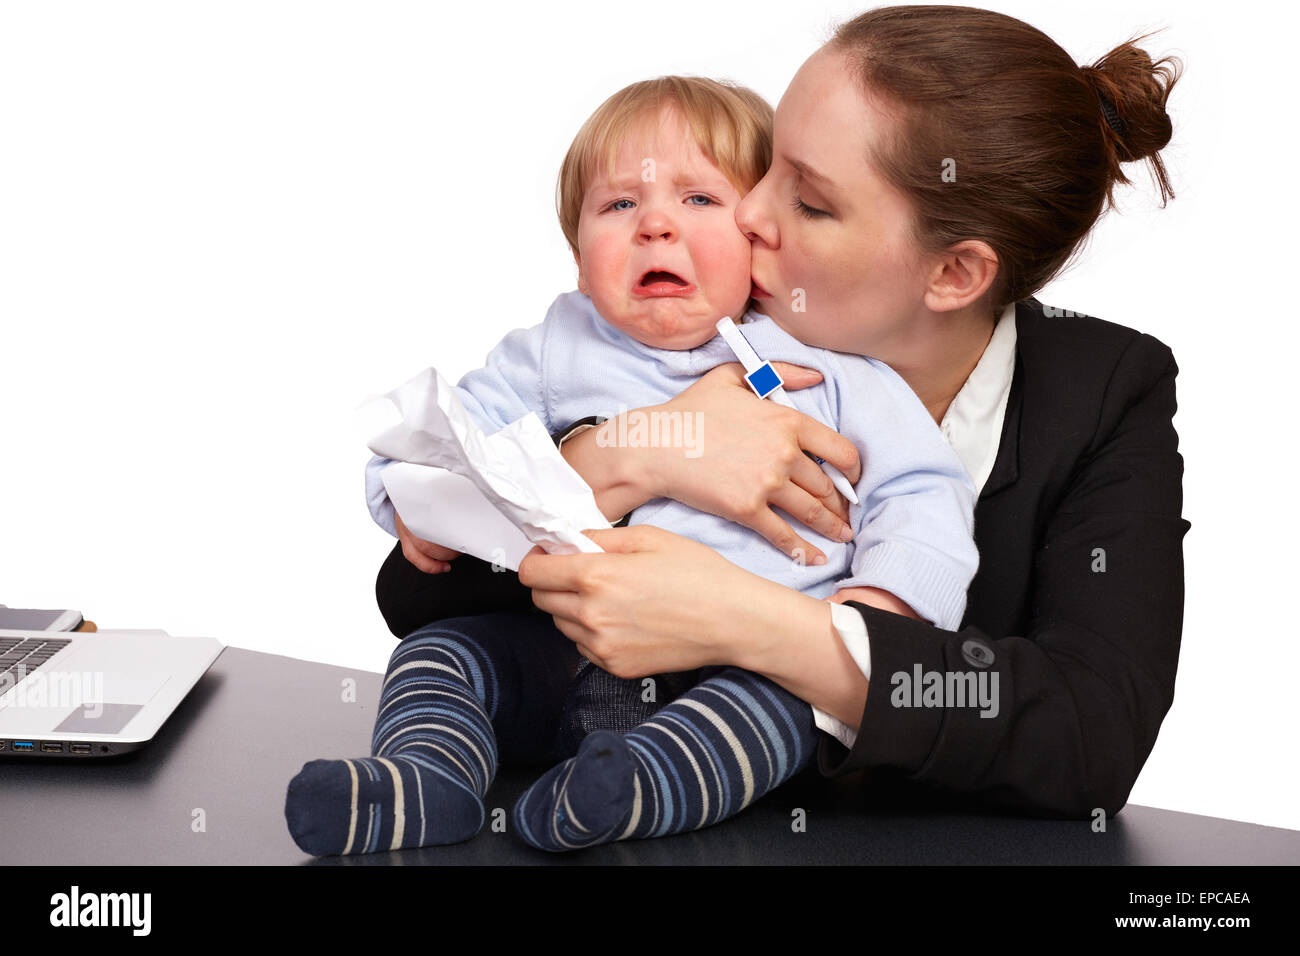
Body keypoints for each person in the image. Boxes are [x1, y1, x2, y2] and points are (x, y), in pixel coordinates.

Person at [382, 4, 1190, 822]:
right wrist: (628, 455)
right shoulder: (675, 346)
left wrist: (757, 625)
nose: (745, 214)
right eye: (764, 167)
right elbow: (420, 595)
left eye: (807, 202)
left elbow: (1091, 735)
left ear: (953, 273)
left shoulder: (1104, 390)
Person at [284, 75, 978, 856]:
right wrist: (408, 499)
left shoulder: (831, 366)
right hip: (564, 647)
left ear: (764, 237)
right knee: (434, 656)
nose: (654, 225)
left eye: (700, 201)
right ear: (581, 261)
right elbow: (451, 432)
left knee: (791, 710)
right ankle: (427, 779)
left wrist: (880, 610)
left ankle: (633, 791)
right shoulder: (557, 348)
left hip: (739, 664)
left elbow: (922, 488)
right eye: (618, 206)